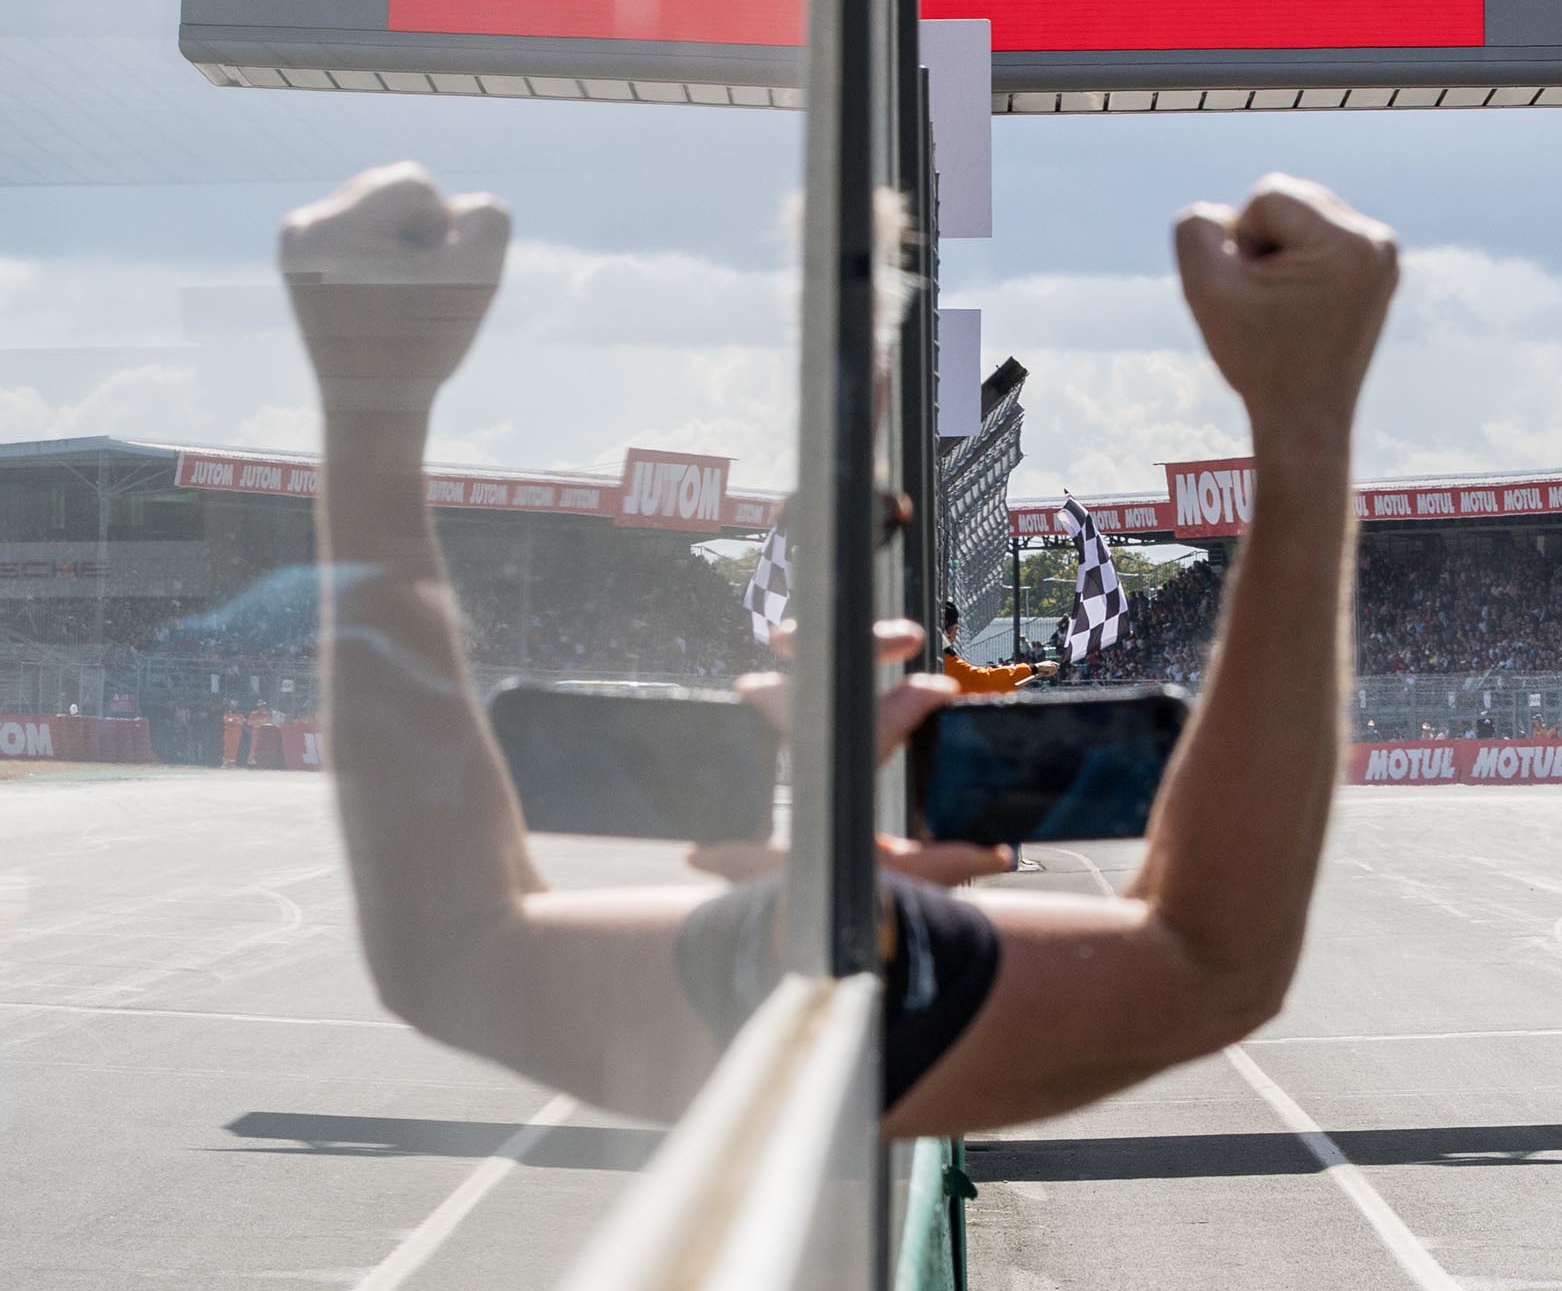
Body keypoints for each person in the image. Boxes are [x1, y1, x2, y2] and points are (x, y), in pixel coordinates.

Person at [280, 162, 1398, 1131]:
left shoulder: (765, 990)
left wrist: (374, 401)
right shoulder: (888, 997)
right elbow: (1216, 957)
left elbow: (448, 943)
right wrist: (1304, 415)